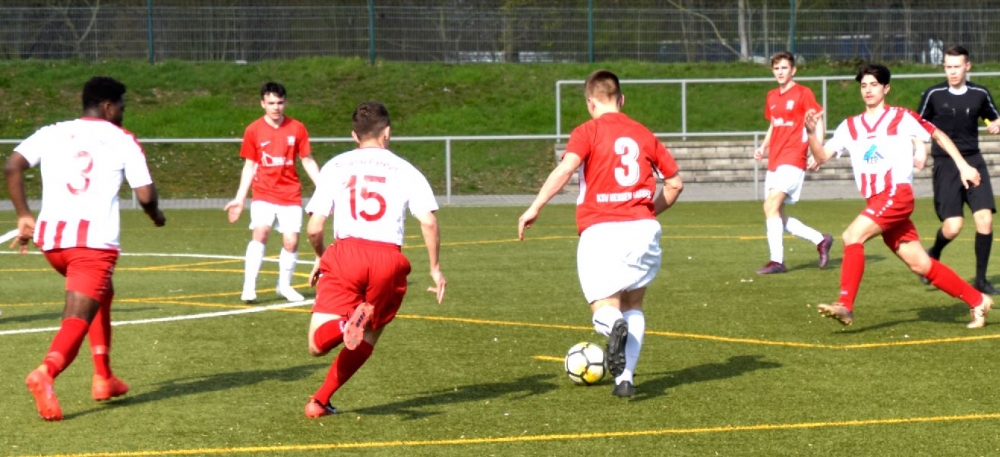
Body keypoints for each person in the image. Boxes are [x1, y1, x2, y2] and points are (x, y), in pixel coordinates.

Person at [4, 76, 166, 421]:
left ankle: (103, 377)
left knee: (103, 293)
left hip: (53, 243)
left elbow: (12, 165)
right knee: (76, 317)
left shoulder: (53, 131)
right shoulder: (122, 139)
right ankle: (46, 373)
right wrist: (157, 216)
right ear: (107, 106)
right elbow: (145, 195)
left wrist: (23, 215)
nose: (123, 112)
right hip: (91, 246)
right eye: (121, 106)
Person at [518, 69, 684, 398]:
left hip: (602, 230)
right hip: (643, 230)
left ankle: (612, 326)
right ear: (622, 100)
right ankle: (625, 380)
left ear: (590, 103)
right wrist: (646, 211)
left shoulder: (587, 131)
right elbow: (675, 184)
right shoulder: (644, 134)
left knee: (604, 308)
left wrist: (535, 206)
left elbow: (566, 168)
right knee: (633, 303)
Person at [804, 63, 992, 329]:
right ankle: (978, 300)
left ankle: (845, 304)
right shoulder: (849, 126)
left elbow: (938, 135)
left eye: (874, 85)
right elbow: (821, 156)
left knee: (852, 236)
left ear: (886, 88)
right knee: (921, 264)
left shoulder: (901, 117)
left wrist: (963, 166)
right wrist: (812, 134)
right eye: (864, 85)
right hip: (878, 201)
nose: (868, 90)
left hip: (896, 194)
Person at [301, 101, 446, 418]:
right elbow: (429, 222)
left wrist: (321, 257)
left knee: (315, 345)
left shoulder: (336, 166)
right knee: (368, 334)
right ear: (388, 132)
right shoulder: (406, 170)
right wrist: (435, 269)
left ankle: (343, 325)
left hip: (346, 253)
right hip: (387, 259)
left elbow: (314, 228)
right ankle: (319, 401)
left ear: (355, 135)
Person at [224, 82, 320, 303]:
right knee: (261, 232)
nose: (276, 107)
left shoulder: (297, 128)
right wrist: (240, 198)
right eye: (271, 103)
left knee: (291, 241)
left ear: (285, 102)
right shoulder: (253, 130)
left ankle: (283, 287)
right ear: (262, 104)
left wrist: (324, 188)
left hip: (290, 193)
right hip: (263, 193)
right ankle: (249, 287)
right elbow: (249, 166)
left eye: (280, 102)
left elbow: (307, 160)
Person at [916, 45, 1000, 295]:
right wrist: (919, 148)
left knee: (985, 220)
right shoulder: (934, 94)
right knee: (953, 226)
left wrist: (996, 124)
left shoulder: (979, 93)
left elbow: (993, 117)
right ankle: (934, 253)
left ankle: (981, 280)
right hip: (946, 164)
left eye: (957, 67)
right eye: (948, 67)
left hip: (973, 161)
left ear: (967, 66)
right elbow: (916, 124)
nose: (952, 72)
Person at [753, 51, 833, 274]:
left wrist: (817, 150)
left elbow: (817, 120)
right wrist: (763, 147)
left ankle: (777, 261)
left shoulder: (803, 93)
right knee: (776, 213)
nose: (780, 72)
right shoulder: (771, 96)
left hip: (794, 157)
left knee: (770, 206)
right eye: (776, 68)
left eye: (784, 68)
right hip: (775, 159)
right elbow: (774, 124)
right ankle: (821, 239)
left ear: (793, 70)